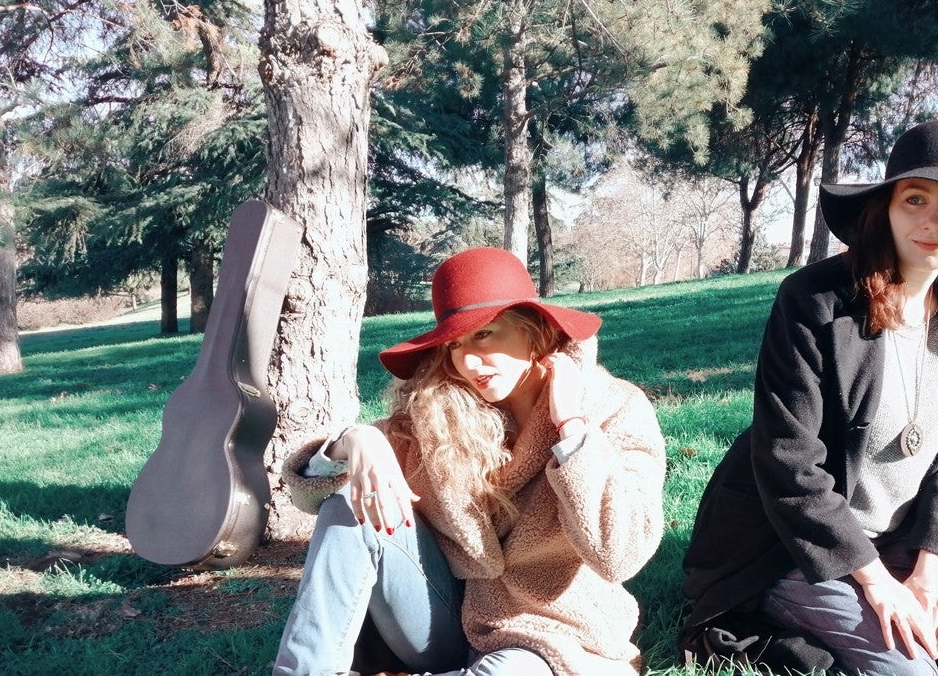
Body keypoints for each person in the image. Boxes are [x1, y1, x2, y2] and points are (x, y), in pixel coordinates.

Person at [678, 120, 938, 675]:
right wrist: (877, 584)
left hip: (900, 537)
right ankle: (765, 618)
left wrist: (932, 563)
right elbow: (789, 461)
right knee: (907, 669)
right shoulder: (815, 300)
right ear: (886, 208)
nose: (933, 220)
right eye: (915, 199)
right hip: (790, 540)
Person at [273, 246, 667, 676]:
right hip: (442, 624)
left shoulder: (614, 409)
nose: (468, 361)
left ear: (533, 331)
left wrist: (571, 427)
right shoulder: (439, 417)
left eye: (484, 334)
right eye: (455, 344)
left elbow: (620, 555)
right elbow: (306, 495)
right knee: (347, 506)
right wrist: (356, 439)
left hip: (551, 634)